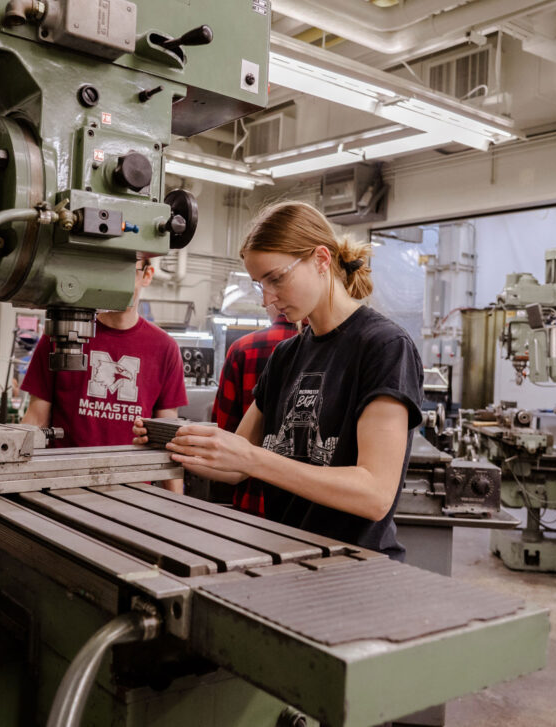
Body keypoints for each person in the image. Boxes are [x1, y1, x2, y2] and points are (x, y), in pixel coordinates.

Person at [134, 202, 423, 559]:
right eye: (260, 285)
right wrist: (179, 442)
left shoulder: (384, 347)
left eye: (276, 278)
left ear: (320, 260)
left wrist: (254, 460)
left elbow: (375, 495)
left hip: (353, 566)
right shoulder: (286, 356)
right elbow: (236, 467)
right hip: (286, 555)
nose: (267, 300)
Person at [23, 257, 188, 493]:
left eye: (124, 269)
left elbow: (167, 437)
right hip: (64, 487)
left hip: (134, 491)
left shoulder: (164, 347)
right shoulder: (61, 337)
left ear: (147, 275)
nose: (115, 281)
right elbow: (36, 420)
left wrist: (176, 507)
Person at [211, 304, 297, 512]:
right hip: (311, 512)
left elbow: (224, 438)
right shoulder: (338, 351)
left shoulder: (244, 349)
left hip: (255, 505)